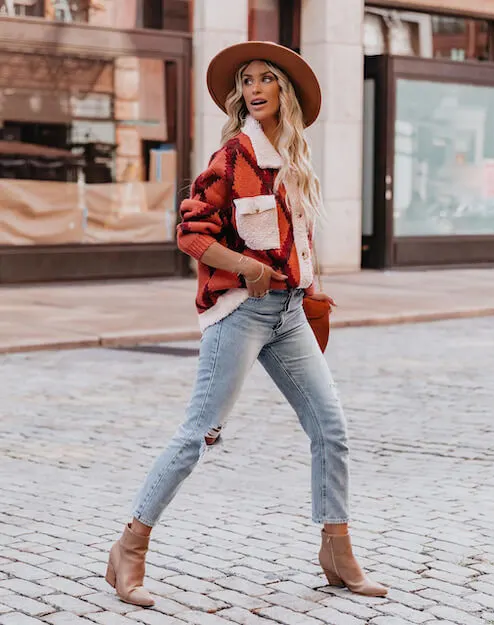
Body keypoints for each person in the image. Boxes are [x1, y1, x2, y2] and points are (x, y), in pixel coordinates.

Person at [105, 41, 388, 607]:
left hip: (288, 315)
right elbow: (191, 232)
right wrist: (245, 268)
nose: (255, 88)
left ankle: (336, 549)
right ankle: (129, 548)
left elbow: (298, 238)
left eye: (266, 79)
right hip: (238, 313)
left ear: (284, 90)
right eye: (247, 81)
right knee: (197, 436)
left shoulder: (292, 160)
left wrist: (312, 288)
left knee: (331, 428)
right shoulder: (232, 157)